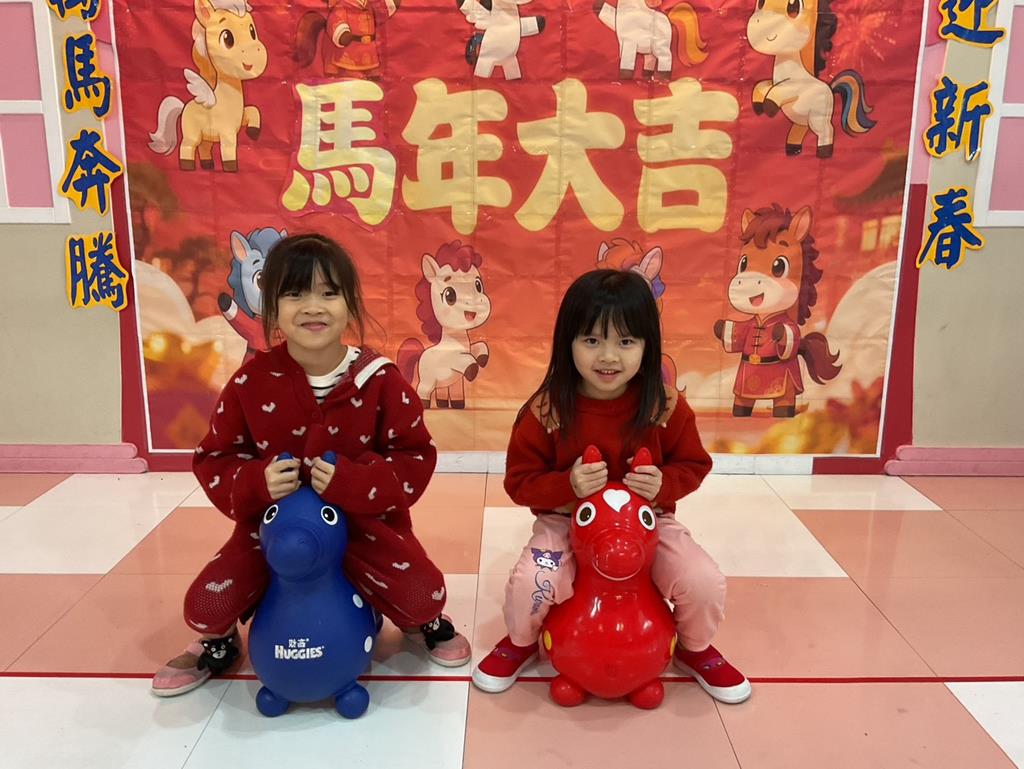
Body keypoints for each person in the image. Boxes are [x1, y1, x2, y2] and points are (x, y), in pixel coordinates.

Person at [152, 233, 471, 696]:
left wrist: (355, 482)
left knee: (424, 597)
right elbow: (215, 457)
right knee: (205, 605)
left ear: (350, 302)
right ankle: (220, 642)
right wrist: (257, 482)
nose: (313, 307)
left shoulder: (380, 380)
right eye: (295, 294)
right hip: (271, 533)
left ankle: (409, 619)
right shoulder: (250, 382)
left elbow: (414, 456)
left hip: (365, 527)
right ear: (271, 306)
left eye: (329, 293)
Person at [472, 269, 750, 704]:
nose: (608, 356)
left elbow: (695, 463)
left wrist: (663, 484)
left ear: (647, 346)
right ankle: (522, 641)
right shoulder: (547, 410)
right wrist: (567, 484)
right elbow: (519, 482)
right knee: (532, 580)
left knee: (702, 579)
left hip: (649, 522)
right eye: (591, 340)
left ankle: (695, 648)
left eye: (625, 342)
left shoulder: (665, 406)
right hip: (565, 522)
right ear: (567, 342)